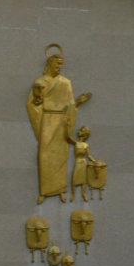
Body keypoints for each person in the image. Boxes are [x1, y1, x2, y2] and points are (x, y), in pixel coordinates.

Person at [26, 46, 90, 203]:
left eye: (61, 65)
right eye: (57, 64)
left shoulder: (66, 83)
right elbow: (34, 104)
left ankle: (60, 189)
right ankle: (44, 191)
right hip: (47, 120)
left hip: (62, 121)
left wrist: (78, 102)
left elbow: (70, 105)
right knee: (45, 154)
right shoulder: (40, 82)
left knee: (62, 155)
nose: (59, 67)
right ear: (49, 64)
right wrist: (37, 97)